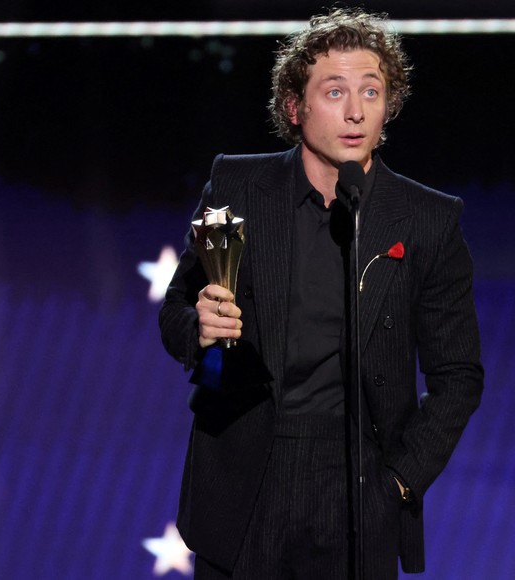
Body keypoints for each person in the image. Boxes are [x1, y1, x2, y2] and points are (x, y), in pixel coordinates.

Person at [159, 8, 484, 579]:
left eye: (371, 91)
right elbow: (177, 311)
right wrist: (200, 328)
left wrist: (399, 482)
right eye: (334, 91)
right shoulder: (238, 186)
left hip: (361, 485)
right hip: (245, 473)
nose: (356, 111)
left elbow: (458, 374)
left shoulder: (428, 220)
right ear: (294, 106)